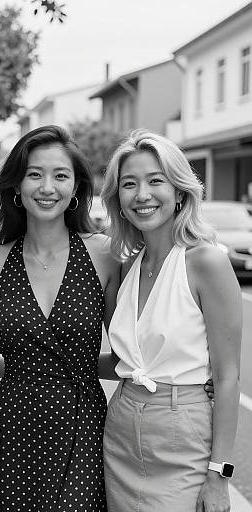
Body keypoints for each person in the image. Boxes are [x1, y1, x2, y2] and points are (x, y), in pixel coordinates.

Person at [0, 125, 121, 511]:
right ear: (17, 186)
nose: (47, 187)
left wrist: (193, 381)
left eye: (60, 175)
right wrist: (28, 372)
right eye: (35, 174)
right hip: (13, 425)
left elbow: (128, 357)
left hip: (83, 423)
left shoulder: (103, 255)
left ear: (76, 188)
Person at [100, 129, 241, 512]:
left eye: (155, 181)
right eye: (129, 184)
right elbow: (124, 363)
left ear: (180, 191)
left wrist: (218, 476)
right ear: (119, 200)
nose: (142, 194)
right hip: (121, 428)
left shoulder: (205, 262)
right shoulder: (128, 266)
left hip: (183, 435)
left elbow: (227, 378)